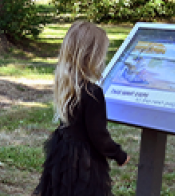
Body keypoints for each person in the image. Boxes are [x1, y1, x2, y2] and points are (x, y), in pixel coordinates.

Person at [33, 21, 130, 196]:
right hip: (84, 162)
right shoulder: (93, 93)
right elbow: (98, 135)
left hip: (63, 154)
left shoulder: (67, 85)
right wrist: (119, 154)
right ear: (93, 56)